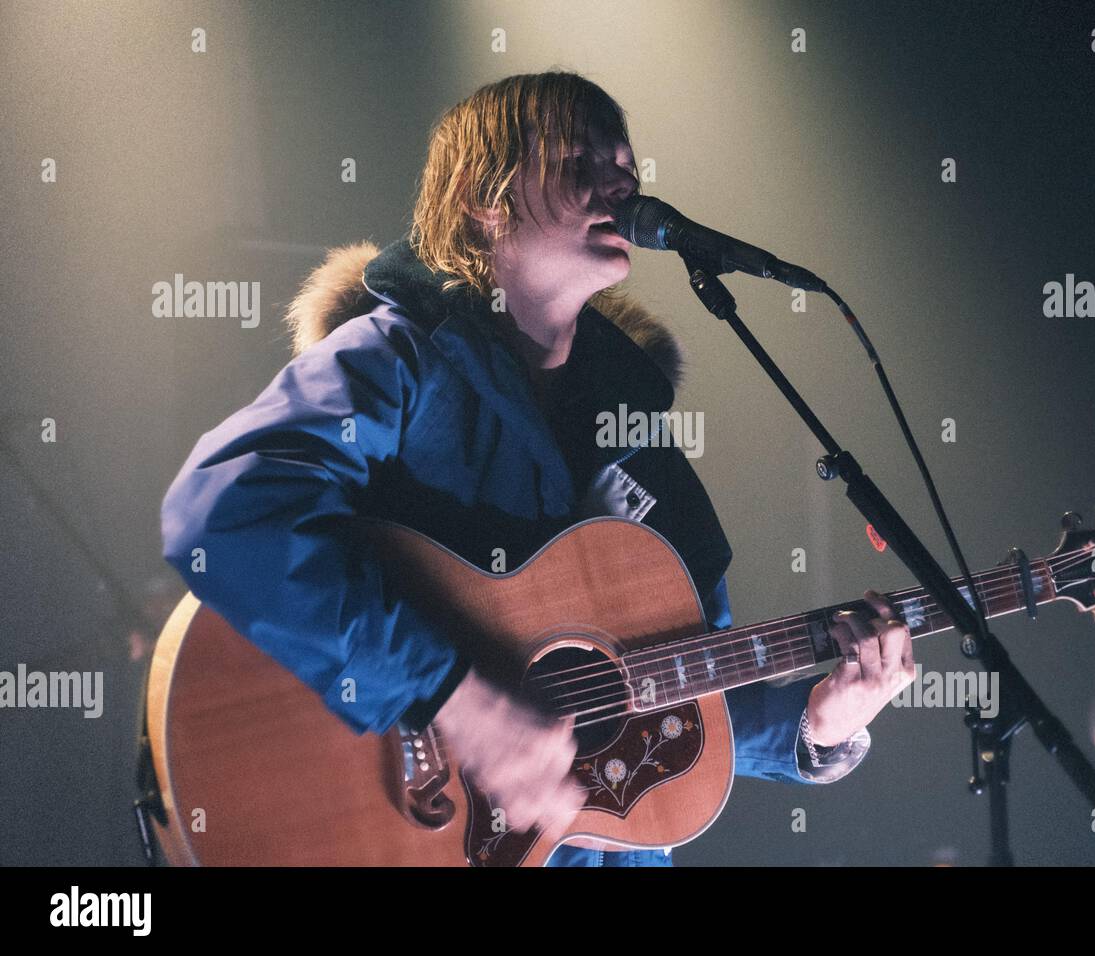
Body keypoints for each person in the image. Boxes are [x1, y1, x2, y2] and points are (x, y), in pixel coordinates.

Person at [161, 71, 916, 867]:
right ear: (480, 197)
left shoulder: (635, 426)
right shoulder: (399, 357)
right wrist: (457, 700)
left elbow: (676, 690)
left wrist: (821, 727)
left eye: (625, 165)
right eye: (578, 161)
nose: (620, 183)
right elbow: (221, 509)